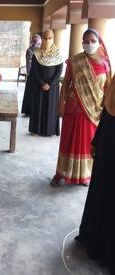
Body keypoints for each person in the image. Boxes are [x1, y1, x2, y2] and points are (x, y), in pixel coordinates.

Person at [51, 28, 111, 186]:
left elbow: (109, 89)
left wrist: (106, 109)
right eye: (86, 41)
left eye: (93, 41)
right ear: (82, 42)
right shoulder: (75, 61)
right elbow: (66, 83)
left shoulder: (106, 64)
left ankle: (85, 175)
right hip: (74, 107)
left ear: (99, 42)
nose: (89, 44)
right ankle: (62, 172)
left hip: (94, 110)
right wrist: (61, 103)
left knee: (87, 143)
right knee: (68, 141)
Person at [75, 73, 115, 275]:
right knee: (103, 193)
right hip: (109, 142)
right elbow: (108, 111)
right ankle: (96, 241)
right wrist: (96, 140)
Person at [28, 30, 63, 136]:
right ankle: (36, 130)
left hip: (52, 86)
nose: (47, 40)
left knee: (50, 107)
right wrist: (42, 83)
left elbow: (59, 70)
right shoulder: (36, 53)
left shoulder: (58, 53)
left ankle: (49, 130)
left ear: (53, 39)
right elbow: (33, 70)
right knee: (38, 107)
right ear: (42, 38)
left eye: (50, 38)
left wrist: (50, 83)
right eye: (45, 38)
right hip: (38, 85)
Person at [21, 34, 42, 116]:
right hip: (32, 75)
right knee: (31, 92)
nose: (36, 42)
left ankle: (36, 111)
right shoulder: (30, 50)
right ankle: (29, 110)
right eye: (34, 41)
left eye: (37, 41)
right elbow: (29, 63)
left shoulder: (42, 50)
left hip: (40, 76)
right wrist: (30, 73)